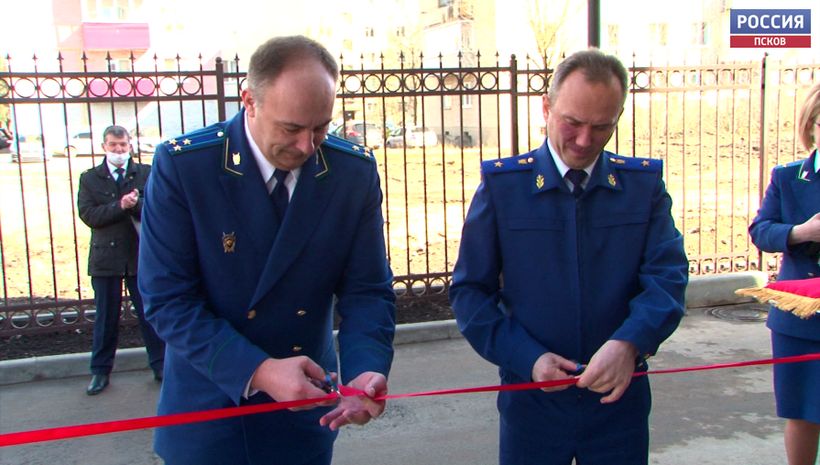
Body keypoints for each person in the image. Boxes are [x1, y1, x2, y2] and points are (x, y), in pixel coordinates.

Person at [138, 35, 396, 465]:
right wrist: (259, 370)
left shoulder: (351, 173)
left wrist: (364, 369)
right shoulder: (186, 167)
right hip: (209, 407)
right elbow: (168, 301)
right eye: (291, 128)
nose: (307, 146)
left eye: (321, 127)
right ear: (249, 101)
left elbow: (367, 290)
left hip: (306, 411)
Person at [449, 49, 689, 465]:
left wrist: (630, 344)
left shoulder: (641, 186)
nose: (583, 141)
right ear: (547, 107)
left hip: (619, 400)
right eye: (572, 123)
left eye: (601, 127)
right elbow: (470, 293)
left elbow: (667, 278)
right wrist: (528, 358)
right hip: (532, 401)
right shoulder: (505, 187)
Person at [749, 81, 820, 465]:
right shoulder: (788, 177)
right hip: (800, 320)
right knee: (803, 412)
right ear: (811, 126)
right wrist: (801, 233)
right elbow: (761, 231)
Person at [77, 125, 165, 395]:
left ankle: (161, 366)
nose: (118, 150)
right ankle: (100, 371)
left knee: (149, 314)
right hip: (106, 258)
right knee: (106, 317)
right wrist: (119, 206)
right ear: (104, 146)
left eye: (123, 145)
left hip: (140, 256)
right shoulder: (90, 178)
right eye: (113, 145)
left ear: (130, 146)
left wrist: (136, 204)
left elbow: (159, 207)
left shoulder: (145, 173)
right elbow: (89, 214)